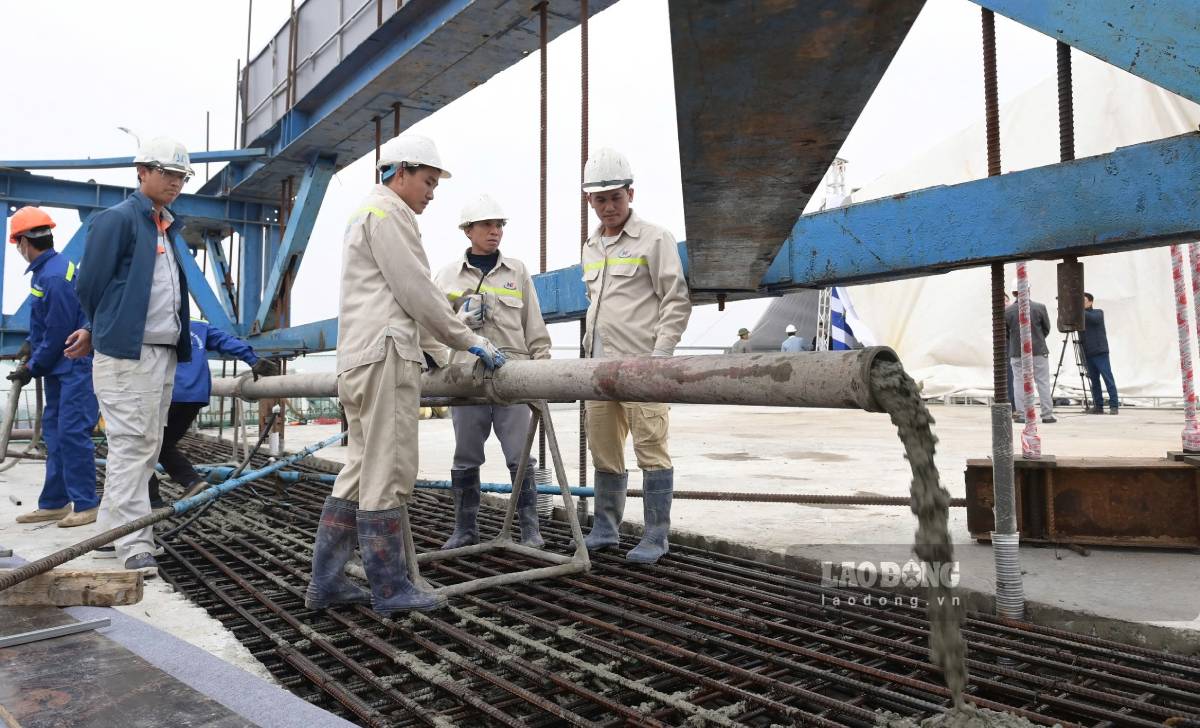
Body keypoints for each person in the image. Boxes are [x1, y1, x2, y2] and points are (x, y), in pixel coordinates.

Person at [305, 134, 507, 614]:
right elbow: (418, 292)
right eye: (428, 181)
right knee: (388, 471)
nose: (432, 193)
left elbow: (401, 298)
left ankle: (327, 583)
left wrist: (446, 347)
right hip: (386, 356)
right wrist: (471, 340)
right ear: (401, 172)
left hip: (358, 357)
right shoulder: (391, 214)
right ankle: (392, 590)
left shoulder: (363, 213)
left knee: (357, 471)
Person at [68, 137, 194, 576]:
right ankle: (134, 543)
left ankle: (107, 533)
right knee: (132, 447)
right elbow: (90, 285)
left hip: (161, 352)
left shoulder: (166, 226)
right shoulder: (118, 220)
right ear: (142, 171)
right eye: (167, 174)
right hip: (128, 354)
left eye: (181, 176)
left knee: (145, 447)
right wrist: (96, 327)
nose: (175, 182)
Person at [579, 148, 691, 565]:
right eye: (600, 199)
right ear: (590, 200)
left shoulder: (655, 238)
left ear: (630, 193)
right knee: (604, 449)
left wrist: (660, 357)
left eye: (615, 198)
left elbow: (675, 299)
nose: (609, 207)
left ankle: (656, 537)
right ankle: (606, 529)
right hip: (597, 368)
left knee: (651, 447)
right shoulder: (591, 246)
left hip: (642, 364)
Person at [434, 193, 551, 550]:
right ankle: (465, 529)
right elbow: (433, 327)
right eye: (487, 225)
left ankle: (529, 529)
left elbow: (534, 325)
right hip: (467, 378)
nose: (495, 231)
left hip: (512, 377)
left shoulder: (517, 272)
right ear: (468, 230)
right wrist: (459, 320)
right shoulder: (447, 276)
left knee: (520, 453)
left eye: (499, 225)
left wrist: (543, 373)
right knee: (466, 453)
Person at [6, 207, 99, 528]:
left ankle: (86, 504)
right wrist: (32, 345)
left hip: (73, 366)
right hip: (61, 368)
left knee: (73, 433)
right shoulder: (48, 271)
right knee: (57, 434)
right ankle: (55, 502)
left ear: (22, 243)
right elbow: (49, 322)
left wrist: (33, 365)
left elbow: (59, 330)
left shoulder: (55, 276)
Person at [146, 319, 279, 508]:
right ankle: (192, 482)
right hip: (195, 395)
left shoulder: (150, 323)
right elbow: (227, 341)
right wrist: (253, 360)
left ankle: (151, 501)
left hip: (165, 393)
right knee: (162, 445)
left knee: (142, 445)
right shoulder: (199, 327)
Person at [1006, 289, 1056, 424]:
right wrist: (1038, 339)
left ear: (1013, 293)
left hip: (1017, 353)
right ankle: (1047, 415)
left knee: (1018, 382)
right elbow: (1046, 328)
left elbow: (1006, 333)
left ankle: (1022, 414)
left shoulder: (1008, 311)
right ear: (1028, 290)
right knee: (1043, 382)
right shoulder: (1039, 307)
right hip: (1039, 351)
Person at [1080, 292, 1118, 414]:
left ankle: (1114, 406)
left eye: (1083, 301)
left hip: (1099, 352)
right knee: (1094, 381)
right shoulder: (1080, 317)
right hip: (1087, 352)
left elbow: (1093, 319)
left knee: (1107, 378)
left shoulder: (1097, 313)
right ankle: (1098, 406)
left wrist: (1077, 309)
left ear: (1090, 302)